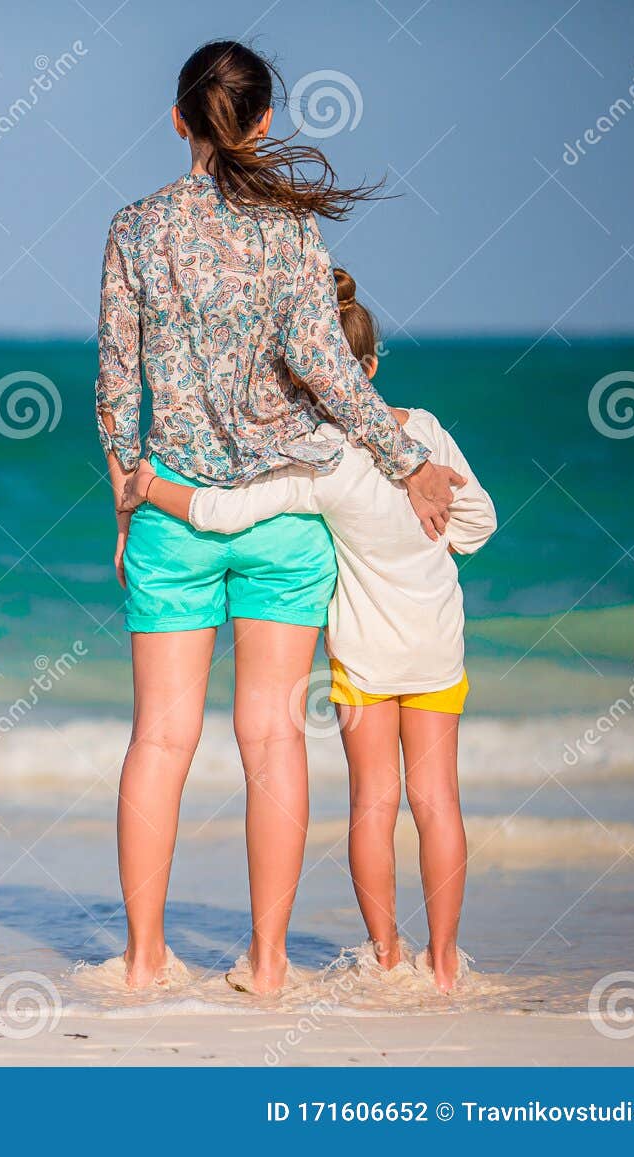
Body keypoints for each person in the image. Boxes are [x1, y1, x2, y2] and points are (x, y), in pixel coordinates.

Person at [97, 40, 466, 994]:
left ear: (178, 119)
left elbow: (115, 388)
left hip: (176, 504)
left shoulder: (136, 229)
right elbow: (331, 370)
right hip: (284, 514)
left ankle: (142, 959)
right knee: (272, 738)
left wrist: (126, 505)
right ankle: (266, 964)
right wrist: (406, 460)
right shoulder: (294, 234)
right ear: (261, 124)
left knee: (160, 739)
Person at [127, 266, 496, 994]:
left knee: (372, 804)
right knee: (438, 802)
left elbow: (226, 514)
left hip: (362, 659)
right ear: (371, 365)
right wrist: (441, 534)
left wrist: (147, 486)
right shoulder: (425, 434)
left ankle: (386, 953)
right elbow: (480, 523)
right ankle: (443, 962)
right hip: (438, 655)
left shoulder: (324, 463)